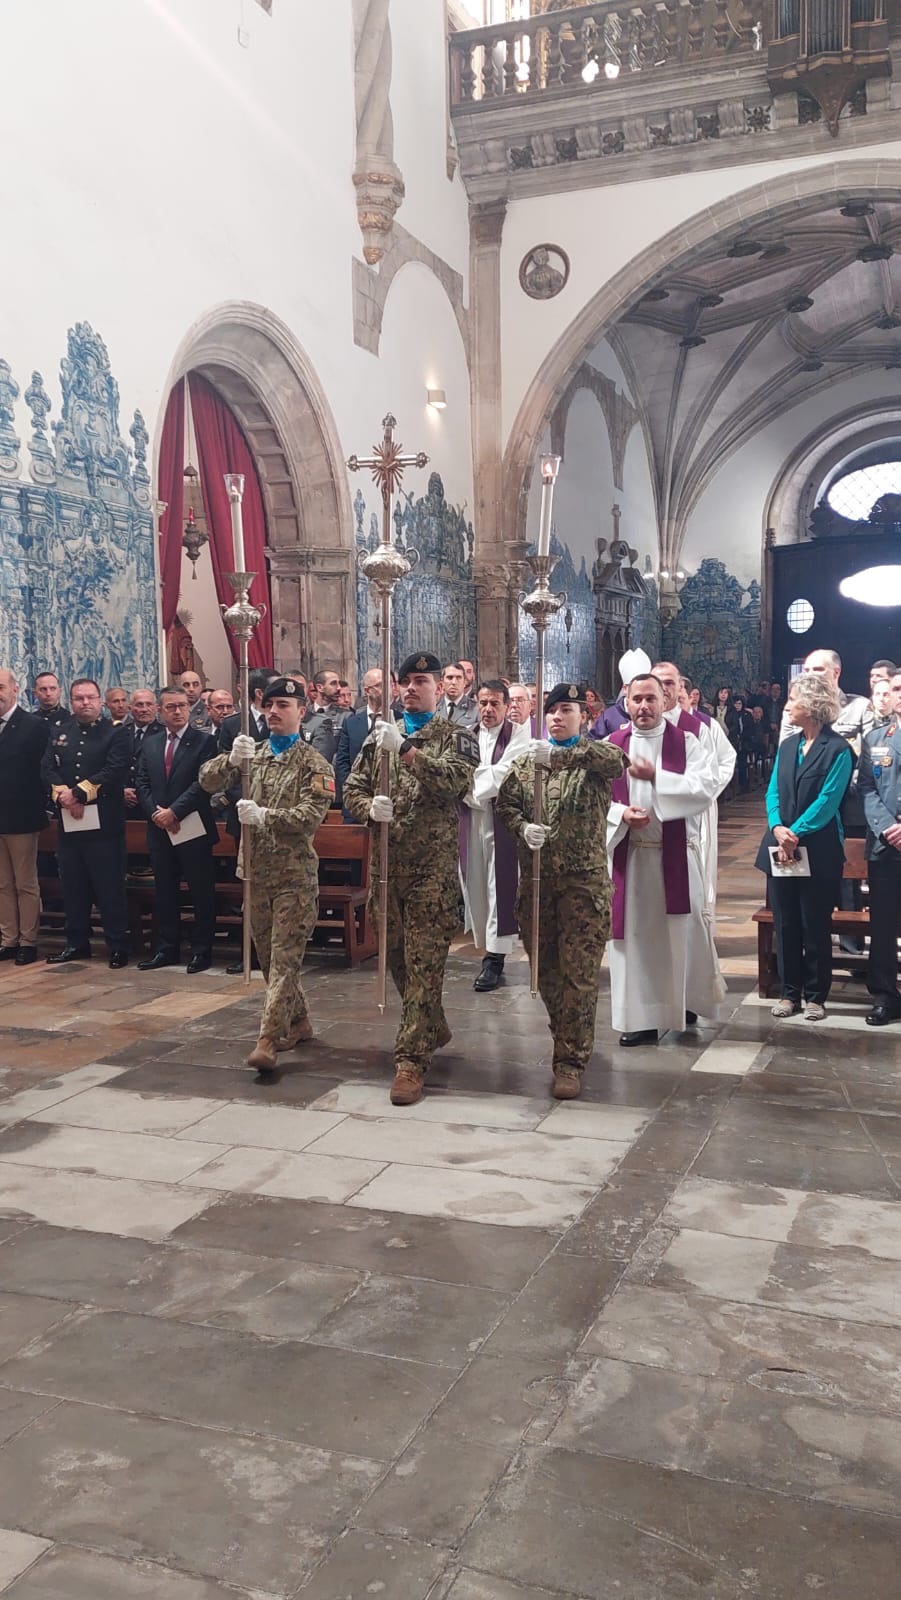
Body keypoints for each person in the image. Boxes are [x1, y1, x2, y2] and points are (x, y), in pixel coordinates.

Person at [344, 649, 478, 1106]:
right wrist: (368, 808)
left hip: (430, 873)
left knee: (425, 966)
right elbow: (353, 788)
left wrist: (405, 750)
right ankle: (431, 1025)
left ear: (440, 688)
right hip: (386, 870)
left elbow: (454, 782)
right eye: (406, 682)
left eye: (422, 682)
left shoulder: (456, 736)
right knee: (398, 961)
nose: (411, 689)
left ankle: (410, 1061)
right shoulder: (380, 736)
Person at [497, 682, 628, 1097]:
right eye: (552, 711)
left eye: (567, 710)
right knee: (548, 973)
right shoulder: (527, 763)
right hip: (539, 887)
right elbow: (506, 805)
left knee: (580, 975)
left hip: (583, 888)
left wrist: (560, 756)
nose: (557, 717)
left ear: (583, 717)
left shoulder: (595, 758)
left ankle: (570, 1060)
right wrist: (522, 827)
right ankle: (565, 1034)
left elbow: (617, 762)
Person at [201, 677, 336, 1077]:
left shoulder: (314, 764)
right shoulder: (253, 755)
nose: (274, 712)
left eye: (284, 706)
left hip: (294, 876)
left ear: (302, 711)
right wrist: (230, 759)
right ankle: (299, 1022)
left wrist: (265, 817)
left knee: (285, 960)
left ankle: (267, 1039)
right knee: (269, 957)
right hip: (255, 874)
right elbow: (206, 780)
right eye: (270, 705)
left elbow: (310, 817)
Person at [606, 674, 724, 1045]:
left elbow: (706, 788)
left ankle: (682, 1003)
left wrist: (657, 776)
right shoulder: (610, 747)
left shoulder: (686, 743)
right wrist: (620, 815)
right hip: (632, 856)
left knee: (681, 934)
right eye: (637, 699)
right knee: (636, 940)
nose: (643, 706)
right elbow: (593, 799)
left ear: (664, 700)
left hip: (677, 856)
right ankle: (640, 1019)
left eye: (651, 699)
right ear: (626, 703)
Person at [756, 672, 853, 1022]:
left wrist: (794, 832)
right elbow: (773, 791)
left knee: (815, 923)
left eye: (793, 699)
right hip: (781, 846)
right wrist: (776, 827)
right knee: (785, 923)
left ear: (812, 706)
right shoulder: (787, 746)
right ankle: (789, 993)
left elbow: (828, 801)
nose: (787, 706)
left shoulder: (838, 750)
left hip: (818, 848)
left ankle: (815, 996)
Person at [42, 678, 131, 967]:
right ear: (71, 702)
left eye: (90, 697)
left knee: (109, 888)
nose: (85, 703)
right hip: (70, 824)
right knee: (73, 887)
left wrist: (79, 794)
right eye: (79, 698)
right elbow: (47, 768)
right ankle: (76, 943)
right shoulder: (60, 730)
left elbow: (115, 770)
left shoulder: (115, 731)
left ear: (100, 700)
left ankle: (117, 945)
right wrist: (63, 796)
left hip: (104, 825)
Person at [135, 686, 219, 974]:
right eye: (170, 707)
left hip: (192, 826)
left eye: (182, 705)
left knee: (200, 892)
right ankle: (167, 948)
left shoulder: (204, 741)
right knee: (165, 891)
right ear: (160, 711)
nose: (178, 711)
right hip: (160, 829)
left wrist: (175, 812)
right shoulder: (151, 742)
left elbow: (203, 783)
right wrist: (157, 814)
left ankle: (201, 950)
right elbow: (142, 783)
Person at [460, 679, 530, 993]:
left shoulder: (519, 735)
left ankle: (494, 958)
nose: (488, 709)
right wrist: (474, 783)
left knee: (497, 886)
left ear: (506, 706)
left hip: (501, 820)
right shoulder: (466, 735)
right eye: (483, 703)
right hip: (471, 819)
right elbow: (457, 773)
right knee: (476, 883)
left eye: (494, 704)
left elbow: (506, 773)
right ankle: (485, 946)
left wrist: (473, 783)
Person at [857, 669, 901, 1026]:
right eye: (897, 688)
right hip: (886, 845)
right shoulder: (875, 739)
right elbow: (867, 788)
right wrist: (887, 825)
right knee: (883, 925)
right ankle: (885, 995)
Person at [0, 668, 50, 966]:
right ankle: (8, 939)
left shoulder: (33, 725)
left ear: (15, 689)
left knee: (25, 883)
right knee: (2, 884)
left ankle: (28, 941)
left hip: (22, 816)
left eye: (1, 687)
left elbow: (42, 771)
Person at [334, 668, 396, 822]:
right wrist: (356, 794)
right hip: (355, 806)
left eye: (391, 684)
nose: (388, 689)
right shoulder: (351, 723)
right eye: (381, 685)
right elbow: (342, 762)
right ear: (368, 691)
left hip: (390, 806)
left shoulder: (399, 720)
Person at [590, 648, 651, 738]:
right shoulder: (608, 717)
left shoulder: (653, 713)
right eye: (634, 687)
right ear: (625, 689)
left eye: (645, 686)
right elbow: (593, 742)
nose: (640, 691)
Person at [304, 667, 349, 762]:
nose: (339, 688)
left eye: (339, 683)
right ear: (320, 687)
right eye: (333, 683)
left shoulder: (345, 716)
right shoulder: (304, 715)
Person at [437, 661, 479, 730]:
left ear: (464, 682)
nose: (454, 682)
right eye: (450, 677)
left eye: (458, 678)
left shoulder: (476, 709)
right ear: (442, 682)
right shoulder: (433, 706)